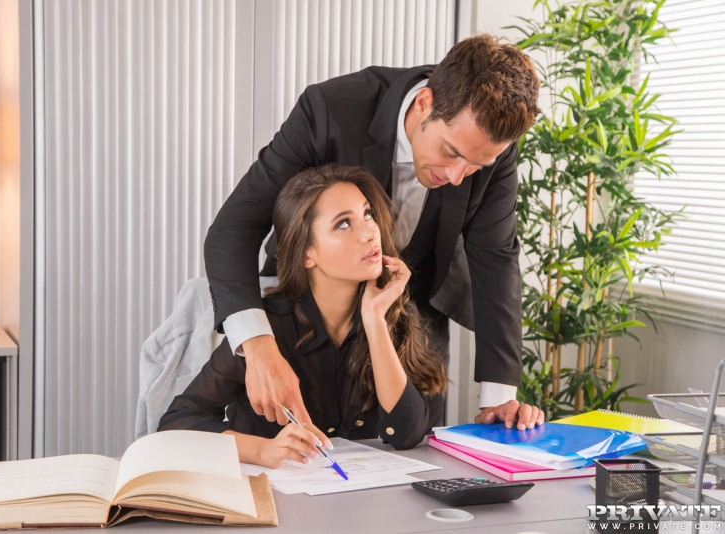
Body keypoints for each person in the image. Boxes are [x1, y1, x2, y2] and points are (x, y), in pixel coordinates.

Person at [204, 34, 544, 430]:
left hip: (413, 332)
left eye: (474, 166)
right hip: (305, 321)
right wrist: (260, 347)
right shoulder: (330, 110)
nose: (456, 178)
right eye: (451, 152)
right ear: (425, 104)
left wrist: (500, 399)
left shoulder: (486, 149)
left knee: (413, 456)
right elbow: (233, 229)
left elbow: (496, 257)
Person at [159, 165, 448, 466]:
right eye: (344, 224)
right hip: (273, 499)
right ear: (307, 253)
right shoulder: (267, 329)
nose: (368, 233)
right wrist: (262, 450)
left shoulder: (394, 316)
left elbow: (408, 434)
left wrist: (375, 318)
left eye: (367, 214)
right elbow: (177, 425)